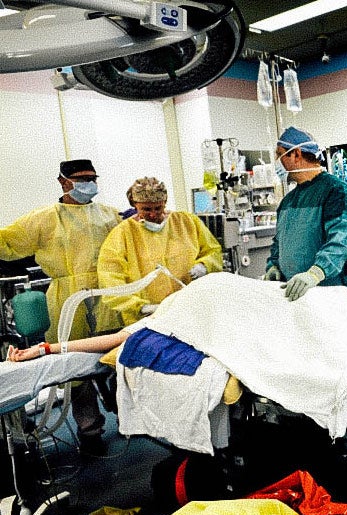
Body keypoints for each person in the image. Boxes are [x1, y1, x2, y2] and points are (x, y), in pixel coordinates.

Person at [0, 159, 122, 454]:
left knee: (118, 359)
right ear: (63, 181)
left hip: (109, 295)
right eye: (81, 178)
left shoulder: (110, 215)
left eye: (92, 177)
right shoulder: (44, 219)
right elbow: (8, 243)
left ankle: (129, 418)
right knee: (73, 368)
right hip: (67, 300)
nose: (88, 184)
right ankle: (90, 430)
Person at [97, 177, 223, 325]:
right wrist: (140, 307)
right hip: (146, 319)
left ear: (165, 202)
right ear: (134, 205)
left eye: (158, 208)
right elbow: (111, 278)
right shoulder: (122, 234)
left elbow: (212, 251)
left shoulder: (186, 222)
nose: (153, 214)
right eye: (146, 209)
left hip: (190, 309)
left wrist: (204, 265)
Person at [264, 126, 347, 300]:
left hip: (336, 295)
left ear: (296, 154)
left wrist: (315, 273)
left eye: (279, 154)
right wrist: (274, 266)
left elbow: (342, 242)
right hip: (299, 296)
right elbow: (279, 243)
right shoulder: (287, 202)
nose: (276, 162)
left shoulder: (337, 192)